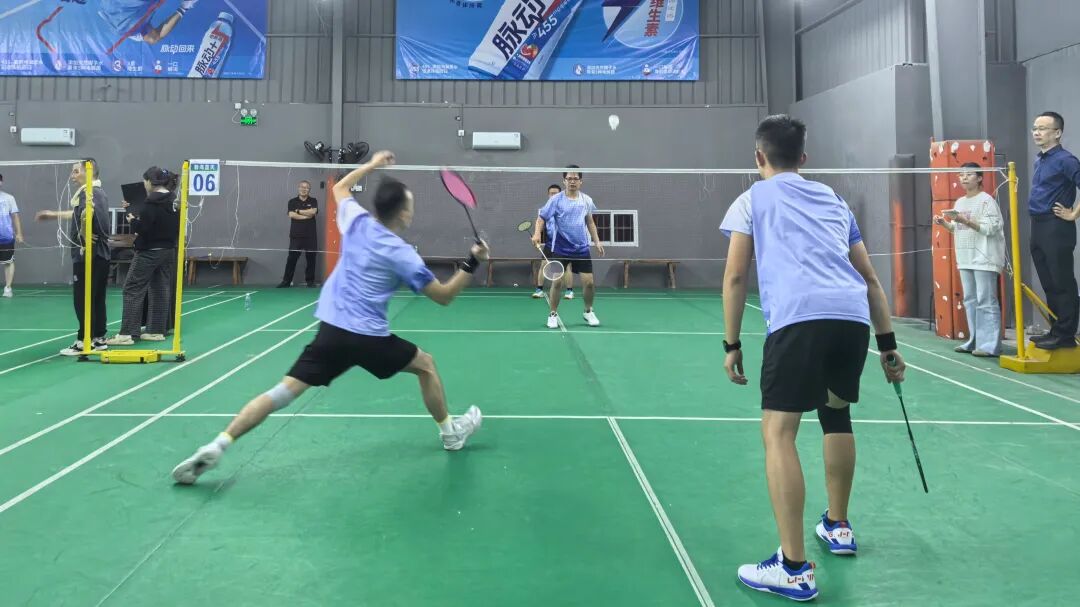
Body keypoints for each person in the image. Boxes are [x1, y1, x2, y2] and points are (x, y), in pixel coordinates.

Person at [171, 151, 489, 485]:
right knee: (426, 365)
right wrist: (473, 261)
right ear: (404, 213)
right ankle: (450, 434)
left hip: (331, 333)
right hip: (369, 339)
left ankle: (219, 444)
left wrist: (372, 164)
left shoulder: (356, 221)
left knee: (281, 393)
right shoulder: (404, 255)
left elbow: (340, 188)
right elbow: (444, 296)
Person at [720, 115, 905, 602]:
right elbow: (870, 278)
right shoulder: (834, 201)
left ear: (758, 157)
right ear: (803, 158)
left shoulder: (751, 199)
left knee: (778, 433)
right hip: (851, 320)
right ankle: (838, 526)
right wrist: (887, 344)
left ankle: (794, 567)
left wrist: (731, 344)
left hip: (798, 319)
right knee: (836, 414)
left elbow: (736, 277)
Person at [35, 160, 111, 355]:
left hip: (89, 254)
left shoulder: (90, 193)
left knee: (83, 299)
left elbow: (89, 215)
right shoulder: (95, 193)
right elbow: (80, 213)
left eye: (76, 171)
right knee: (96, 298)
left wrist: (86, 233)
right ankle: (98, 338)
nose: (72, 176)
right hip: (99, 255)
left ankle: (84, 340)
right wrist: (53, 215)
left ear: (89, 171)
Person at [934, 163, 1006, 356]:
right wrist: (945, 224)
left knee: (986, 300)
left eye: (969, 174)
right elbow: (960, 229)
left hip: (985, 258)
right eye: (961, 175)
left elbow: (990, 228)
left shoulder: (987, 201)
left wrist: (964, 220)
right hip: (965, 258)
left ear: (980, 177)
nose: (964, 178)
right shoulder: (959, 202)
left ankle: (990, 345)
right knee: (970, 300)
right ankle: (974, 341)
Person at [106, 167, 180, 345]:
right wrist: (136, 213)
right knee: (160, 289)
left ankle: (127, 334)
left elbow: (143, 228)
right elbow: (158, 222)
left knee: (132, 288)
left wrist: (132, 220)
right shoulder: (173, 200)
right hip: (168, 251)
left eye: (145, 181)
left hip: (149, 252)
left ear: (149, 182)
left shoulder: (150, 202)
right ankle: (156, 331)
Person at [1028, 111, 1080, 350]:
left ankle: (1066, 334)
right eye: (1035, 128)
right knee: (1048, 282)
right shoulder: (1041, 159)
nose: (1036, 133)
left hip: (1056, 226)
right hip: (1038, 224)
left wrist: (1074, 214)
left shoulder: (1066, 160)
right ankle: (1055, 330)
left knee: (1062, 281)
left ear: (1057, 133)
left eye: (1042, 128)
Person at [533, 165, 604, 329]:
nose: (572, 181)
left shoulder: (586, 200)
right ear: (564, 181)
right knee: (557, 282)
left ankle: (588, 311)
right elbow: (541, 218)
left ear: (581, 181)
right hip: (560, 248)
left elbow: (590, 222)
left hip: (581, 248)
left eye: (575, 178)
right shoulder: (556, 200)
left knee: (589, 283)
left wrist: (597, 241)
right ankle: (552, 314)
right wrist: (537, 234)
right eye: (569, 179)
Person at [533, 184, 575, 299]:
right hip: (550, 242)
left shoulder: (567, 208)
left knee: (567, 267)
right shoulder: (545, 209)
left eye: (555, 193)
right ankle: (539, 290)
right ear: (548, 195)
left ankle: (569, 291)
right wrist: (537, 235)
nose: (553, 195)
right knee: (543, 265)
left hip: (564, 243)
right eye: (551, 193)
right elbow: (540, 223)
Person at [278, 180, 320, 288]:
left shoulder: (313, 200)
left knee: (311, 259)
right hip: (296, 236)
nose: (304, 189)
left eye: (306, 187)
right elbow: (291, 215)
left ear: (309, 190)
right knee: (291, 259)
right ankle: (286, 281)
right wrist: (306, 216)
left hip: (310, 236)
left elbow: (313, 212)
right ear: (298, 188)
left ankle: (310, 282)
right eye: (302, 187)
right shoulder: (292, 201)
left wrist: (298, 211)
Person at [0, 173, 24, 298]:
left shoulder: (9, 198)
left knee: (8, 262)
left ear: (1, 182)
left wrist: (19, 233)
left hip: (6, 237)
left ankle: (8, 288)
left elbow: (15, 216)